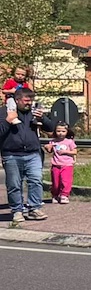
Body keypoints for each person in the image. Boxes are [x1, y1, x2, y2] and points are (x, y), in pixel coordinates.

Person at [3, 84, 51, 224]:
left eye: (31, 100)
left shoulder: (34, 113)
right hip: (11, 154)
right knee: (14, 184)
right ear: (17, 100)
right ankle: (17, 211)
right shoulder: (4, 112)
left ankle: (34, 208)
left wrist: (43, 118)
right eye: (26, 100)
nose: (29, 103)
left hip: (33, 153)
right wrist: (8, 120)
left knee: (36, 180)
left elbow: (51, 128)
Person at [47, 120, 75, 204]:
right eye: (58, 131)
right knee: (56, 182)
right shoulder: (53, 141)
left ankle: (64, 195)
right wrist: (48, 147)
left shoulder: (69, 142)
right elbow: (50, 151)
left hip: (67, 164)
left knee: (65, 181)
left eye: (63, 131)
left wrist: (66, 152)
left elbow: (74, 151)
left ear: (67, 131)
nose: (60, 133)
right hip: (56, 164)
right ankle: (55, 195)